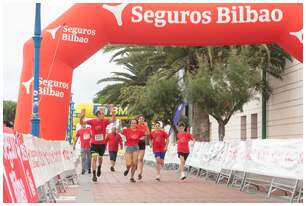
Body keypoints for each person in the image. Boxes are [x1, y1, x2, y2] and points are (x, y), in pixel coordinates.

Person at [79, 107, 116, 182]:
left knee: (100, 158)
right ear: (98, 114)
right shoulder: (92, 121)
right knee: (94, 158)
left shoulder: (105, 121)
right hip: (94, 144)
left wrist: (113, 113)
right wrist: (82, 116)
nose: (104, 115)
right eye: (102, 114)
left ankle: (99, 167)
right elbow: (82, 123)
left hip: (102, 144)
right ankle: (94, 174)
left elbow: (113, 120)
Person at [136, 115, 150, 180]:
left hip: (142, 142)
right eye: (140, 119)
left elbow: (148, 133)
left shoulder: (145, 126)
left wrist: (146, 126)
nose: (141, 120)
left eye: (142, 119)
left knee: (140, 158)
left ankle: (140, 173)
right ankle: (136, 167)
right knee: (136, 159)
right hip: (135, 143)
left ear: (144, 120)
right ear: (138, 120)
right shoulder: (135, 126)